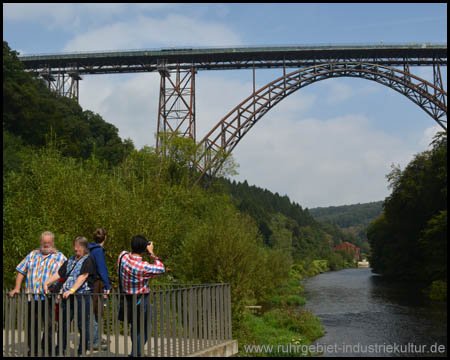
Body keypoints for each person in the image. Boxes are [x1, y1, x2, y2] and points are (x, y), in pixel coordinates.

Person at [9, 231, 67, 356]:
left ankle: (48, 348)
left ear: (53, 242)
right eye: (44, 243)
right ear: (41, 242)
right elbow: (21, 271)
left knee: (50, 325)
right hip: (32, 296)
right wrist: (17, 288)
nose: (46, 245)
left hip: (49, 297)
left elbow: (67, 274)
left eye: (48, 243)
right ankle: (33, 350)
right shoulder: (32, 254)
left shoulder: (60, 257)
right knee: (32, 325)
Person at [44, 236, 97, 356]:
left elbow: (83, 276)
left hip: (82, 296)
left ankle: (81, 350)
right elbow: (60, 273)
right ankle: (60, 348)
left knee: (82, 324)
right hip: (67, 296)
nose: (75, 249)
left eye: (77, 248)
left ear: (83, 248)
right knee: (63, 323)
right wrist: (47, 282)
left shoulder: (88, 260)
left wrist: (72, 290)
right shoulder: (71, 259)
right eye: (75, 247)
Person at [118, 235, 165, 357]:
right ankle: (135, 353)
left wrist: (142, 247)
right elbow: (161, 268)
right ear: (144, 249)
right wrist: (151, 253)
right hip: (141, 299)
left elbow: (127, 252)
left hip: (126, 297)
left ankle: (135, 352)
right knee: (144, 328)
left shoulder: (122, 257)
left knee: (135, 326)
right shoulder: (143, 267)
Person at [88, 228, 111, 350]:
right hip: (96, 284)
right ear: (105, 238)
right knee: (95, 312)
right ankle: (94, 341)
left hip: (88, 283)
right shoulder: (98, 251)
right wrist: (107, 285)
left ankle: (95, 337)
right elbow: (102, 269)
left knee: (91, 311)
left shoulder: (88, 249)